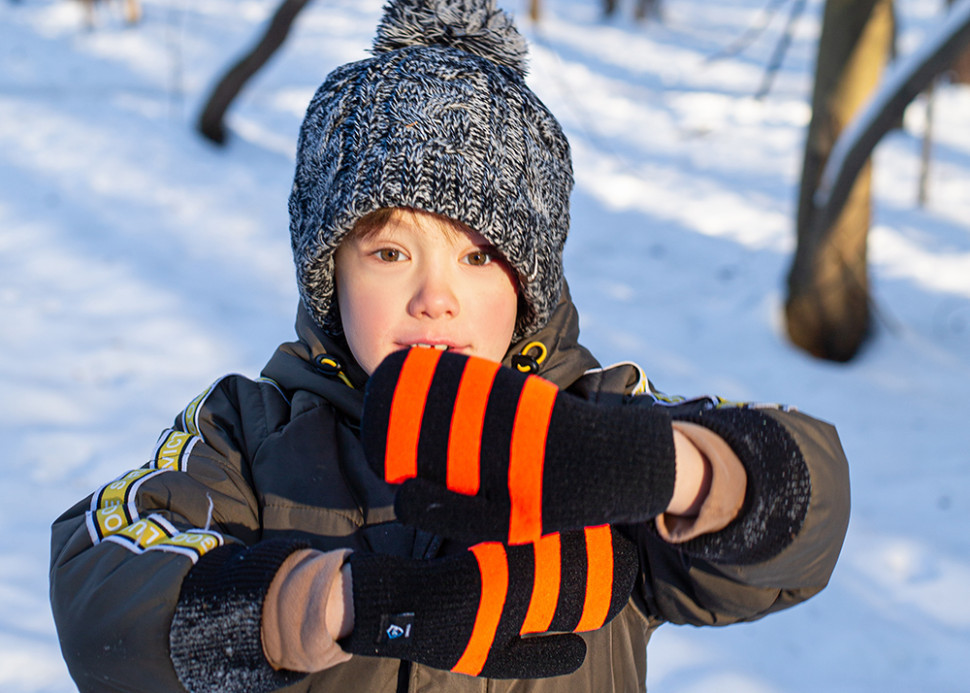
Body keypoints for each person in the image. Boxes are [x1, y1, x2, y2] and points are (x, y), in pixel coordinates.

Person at [49, 1, 851, 691]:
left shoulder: (593, 416)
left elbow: (806, 503)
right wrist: (330, 602)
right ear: (329, 272)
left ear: (529, 283)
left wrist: (670, 468)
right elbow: (102, 577)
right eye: (390, 253)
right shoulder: (250, 433)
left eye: (478, 257)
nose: (435, 296)